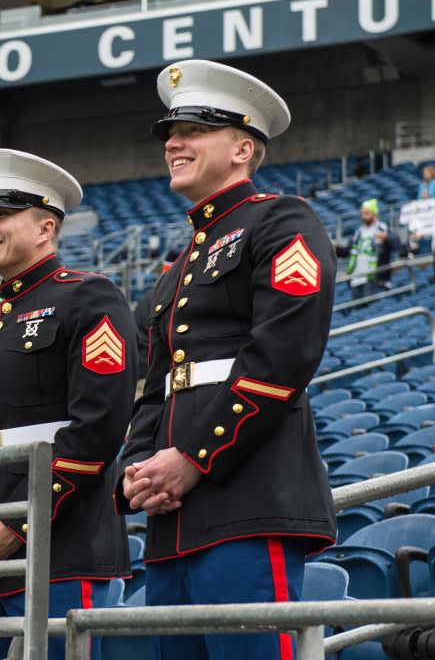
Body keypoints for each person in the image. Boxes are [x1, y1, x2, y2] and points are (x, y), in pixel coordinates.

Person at [115, 59, 338, 660]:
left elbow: (283, 356)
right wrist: (136, 471)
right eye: (169, 133)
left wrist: (193, 455)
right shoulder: (178, 268)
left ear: (243, 148)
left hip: (247, 496)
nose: (173, 143)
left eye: (192, 131)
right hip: (172, 516)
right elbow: (152, 388)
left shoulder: (281, 220)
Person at [0, 149, 137, 660]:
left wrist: (20, 522)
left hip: (62, 546)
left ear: (46, 227)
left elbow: (98, 427)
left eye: (0, 215)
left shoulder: (89, 297)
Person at [340, 199, 401, 300]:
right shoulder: (358, 232)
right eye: (362, 213)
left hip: (374, 278)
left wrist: (386, 238)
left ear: (374, 213)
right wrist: (336, 249)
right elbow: (348, 251)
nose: (363, 215)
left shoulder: (382, 228)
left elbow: (397, 244)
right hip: (356, 278)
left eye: (366, 213)